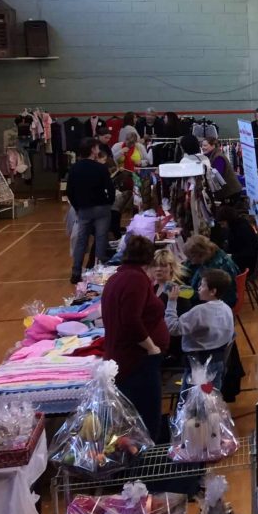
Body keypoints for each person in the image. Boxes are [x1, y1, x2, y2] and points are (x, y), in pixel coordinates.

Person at [102, 236, 169, 440]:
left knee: (136, 418)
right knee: (146, 419)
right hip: (137, 361)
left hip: (128, 358)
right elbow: (131, 321)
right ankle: (145, 463)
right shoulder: (136, 280)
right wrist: (151, 348)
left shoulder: (118, 277)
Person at [165, 267, 235, 391]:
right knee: (212, 400)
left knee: (190, 404)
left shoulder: (200, 311)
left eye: (202, 286)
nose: (198, 288)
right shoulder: (227, 309)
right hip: (218, 362)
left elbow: (173, 328)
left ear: (212, 291)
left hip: (198, 366)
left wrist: (171, 301)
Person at [67, 137, 115, 284]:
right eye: (97, 148)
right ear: (93, 150)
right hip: (102, 208)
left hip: (84, 209)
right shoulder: (101, 168)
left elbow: (70, 191)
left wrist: (77, 206)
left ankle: (76, 271)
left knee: (82, 240)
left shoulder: (75, 168)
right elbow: (110, 189)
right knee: (101, 239)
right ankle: (98, 271)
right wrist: (109, 202)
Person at [184, 234, 239, 308]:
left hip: (220, 303)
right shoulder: (214, 253)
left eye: (191, 258)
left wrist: (181, 291)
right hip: (217, 295)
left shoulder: (215, 269)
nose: (190, 261)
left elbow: (201, 295)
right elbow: (189, 266)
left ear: (201, 255)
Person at [216, 205, 258, 276]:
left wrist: (231, 256)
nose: (222, 226)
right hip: (242, 260)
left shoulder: (241, 229)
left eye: (223, 223)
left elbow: (248, 252)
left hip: (245, 264)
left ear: (229, 220)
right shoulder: (239, 224)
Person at [202, 137, 243, 203]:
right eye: (202, 145)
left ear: (213, 145)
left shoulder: (218, 157)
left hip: (230, 192)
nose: (203, 147)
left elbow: (217, 176)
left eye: (205, 145)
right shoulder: (211, 156)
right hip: (228, 192)